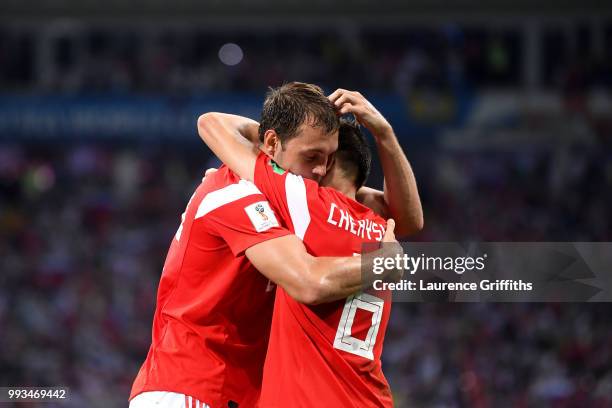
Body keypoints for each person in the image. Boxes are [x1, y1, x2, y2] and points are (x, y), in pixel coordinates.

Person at [129, 82, 400, 408]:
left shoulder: (292, 200)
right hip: (193, 387)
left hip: (238, 393)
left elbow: (397, 215)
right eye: (311, 155)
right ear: (271, 142)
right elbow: (309, 282)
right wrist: (383, 264)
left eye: (328, 159)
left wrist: (383, 135)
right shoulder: (235, 192)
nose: (320, 171)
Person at [197, 89, 422, 406]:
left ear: (328, 164)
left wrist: (287, 131)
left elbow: (212, 124)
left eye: (317, 158)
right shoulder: (380, 226)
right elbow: (411, 219)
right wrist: (383, 131)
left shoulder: (305, 200)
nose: (310, 169)